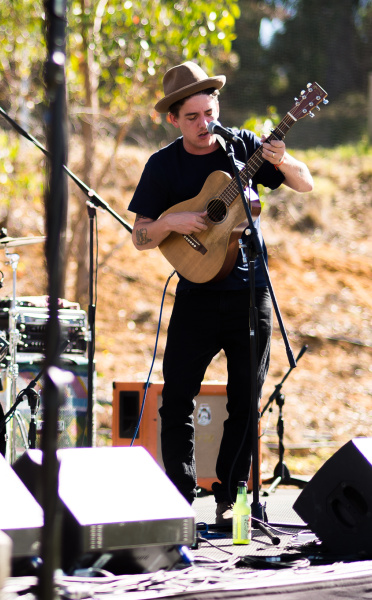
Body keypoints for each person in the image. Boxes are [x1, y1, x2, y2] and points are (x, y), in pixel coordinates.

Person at [127, 61, 313, 524]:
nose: (204, 124)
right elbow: (140, 236)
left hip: (249, 291)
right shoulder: (162, 165)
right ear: (173, 118)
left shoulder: (242, 147)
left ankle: (232, 500)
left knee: (245, 400)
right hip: (195, 292)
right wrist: (172, 221)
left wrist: (281, 160)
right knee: (177, 399)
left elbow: (304, 183)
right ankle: (178, 499)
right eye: (191, 117)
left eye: (209, 113)